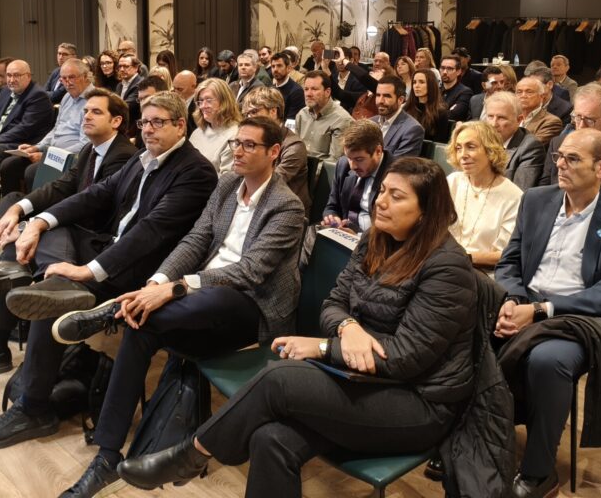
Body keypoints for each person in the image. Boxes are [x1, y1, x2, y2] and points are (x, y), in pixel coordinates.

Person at [115, 157, 477, 498]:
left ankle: (191, 453)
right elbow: (333, 305)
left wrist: (321, 348)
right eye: (382, 190)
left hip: (417, 403)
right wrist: (349, 327)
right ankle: (190, 455)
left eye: (396, 196)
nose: (381, 202)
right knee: (270, 439)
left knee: (278, 379)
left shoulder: (448, 268)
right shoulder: (373, 239)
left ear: (426, 212)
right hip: (360, 378)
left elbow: (406, 358)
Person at [55, 117, 306, 497]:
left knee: (195, 299)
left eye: (249, 145)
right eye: (236, 143)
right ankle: (107, 457)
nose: (237, 150)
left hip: (252, 308)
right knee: (142, 324)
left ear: (274, 152)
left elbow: (251, 272)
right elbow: (195, 239)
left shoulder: (288, 206)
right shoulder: (226, 185)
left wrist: (175, 288)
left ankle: (111, 313)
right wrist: (156, 284)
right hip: (198, 298)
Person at [0, 93, 217, 450]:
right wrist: (38, 220)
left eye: (158, 122)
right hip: (108, 245)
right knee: (49, 236)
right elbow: (96, 194)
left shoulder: (195, 171)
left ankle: (34, 408)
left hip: (137, 270)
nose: (147, 130)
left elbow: (152, 231)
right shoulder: (143, 158)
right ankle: (22, 275)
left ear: (180, 125)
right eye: (144, 122)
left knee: (51, 296)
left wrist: (88, 271)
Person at [494, 127, 601, 498]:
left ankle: (539, 472)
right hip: (526, 302)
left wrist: (541, 310)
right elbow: (509, 261)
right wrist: (514, 301)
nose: (560, 165)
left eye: (572, 159)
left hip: (581, 318)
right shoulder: (536, 200)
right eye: (558, 156)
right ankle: (469, 437)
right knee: (465, 330)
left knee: (548, 361)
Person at [0, 90, 138, 381]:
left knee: (29, 237)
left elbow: (91, 206)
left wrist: (38, 223)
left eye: (96, 112)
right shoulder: (90, 149)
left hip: (97, 243)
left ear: (117, 120)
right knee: (14, 212)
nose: (86, 116)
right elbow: (62, 185)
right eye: (85, 111)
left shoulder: (122, 155)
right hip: (76, 230)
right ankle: (10, 278)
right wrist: (20, 211)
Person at [0, 59, 94, 196]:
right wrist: (37, 147)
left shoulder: (94, 100)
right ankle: (13, 210)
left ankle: (37, 214)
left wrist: (48, 155)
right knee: (9, 165)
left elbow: (86, 143)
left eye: (71, 77)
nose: (67, 82)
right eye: (63, 79)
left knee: (32, 172)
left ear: (85, 76)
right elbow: (55, 130)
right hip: (52, 152)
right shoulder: (67, 97)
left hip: (73, 158)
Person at [0, 60, 54, 219]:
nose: (12, 80)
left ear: (28, 76)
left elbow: (25, 129)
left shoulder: (37, 96)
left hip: (26, 142)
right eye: (9, 75)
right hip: (3, 138)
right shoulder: (5, 92)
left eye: (17, 75)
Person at [446, 121, 522, 268]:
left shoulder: (514, 197)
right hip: (442, 264)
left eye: (471, 147)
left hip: (481, 273)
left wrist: (462, 258)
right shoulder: (452, 182)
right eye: (458, 148)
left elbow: (504, 255)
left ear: (490, 150)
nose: (463, 155)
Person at [242, 86, 310, 214]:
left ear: (273, 111)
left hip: (286, 211)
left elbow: (271, 182)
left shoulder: (294, 146)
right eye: (247, 114)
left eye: (254, 112)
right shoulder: (252, 140)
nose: (249, 118)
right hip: (258, 203)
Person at [320, 120, 393, 234]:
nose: (352, 166)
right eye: (349, 158)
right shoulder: (343, 165)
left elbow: (390, 230)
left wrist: (359, 237)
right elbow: (332, 206)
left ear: (378, 151)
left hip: (372, 240)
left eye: (359, 159)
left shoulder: (396, 175)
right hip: (343, 232)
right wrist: (332, 217)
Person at [485, 92, 545, 192]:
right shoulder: (479, 139)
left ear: (519, 119)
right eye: (490, 116)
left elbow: (518, 192)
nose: (493, 124)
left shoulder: (530, 147)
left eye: (501, 118)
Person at [295, 70, 354, 160]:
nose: (308, 94)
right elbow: (295, 150)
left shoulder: (342, 120)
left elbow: (333, 162)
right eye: (306, 89)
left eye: (314, 89)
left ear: (327, 92)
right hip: (299, 167)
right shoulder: (302, 114)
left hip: (321, 172)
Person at [190, 77, 242, 174]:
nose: (203, 106)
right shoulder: (197, 133)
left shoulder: (235, 136)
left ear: (224, 101)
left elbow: (226, 181)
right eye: (200, 101)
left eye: (209, 100)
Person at [515, 76, 562, 148]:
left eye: (529, 92)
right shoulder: (511, 117)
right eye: (519, 92)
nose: (523, 96)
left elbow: (530, 147)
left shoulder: (551, 122)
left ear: (542, 96)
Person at [406, 69, 450, 143]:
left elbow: (439, 143)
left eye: (421, 82)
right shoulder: (406, 108)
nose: (416, 86)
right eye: (414, 82)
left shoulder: (440, 113)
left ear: (431, 85)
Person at [269, 52, 304, 121]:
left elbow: (291, 121)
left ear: (288, 68)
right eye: (273, 66)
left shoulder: (297, 91)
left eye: (279, 66)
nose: (275, 69)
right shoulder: (271, 88)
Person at [440, 55, 472, 122]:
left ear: (458, 72)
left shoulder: (465, 92)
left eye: (449, 69)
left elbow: (454, 115)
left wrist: (433, 111)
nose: (445, 72)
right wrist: (447, 111)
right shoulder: (435, 89)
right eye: (442, 68)